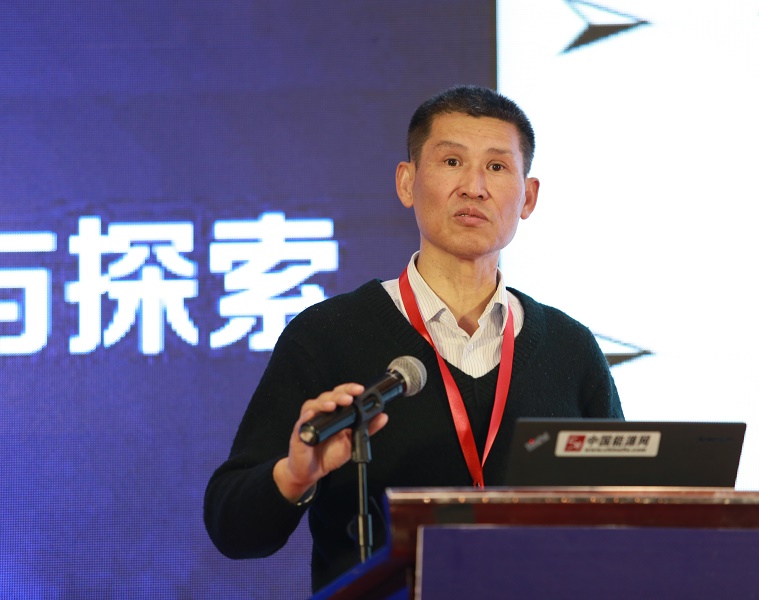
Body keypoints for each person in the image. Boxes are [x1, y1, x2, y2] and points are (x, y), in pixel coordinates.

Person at [204, 85, 624, 591]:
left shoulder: (570, 349)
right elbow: (232, 529)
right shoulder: (327, 334)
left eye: (496, 167)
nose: (474, 187)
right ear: (407, 182)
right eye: (452, 161)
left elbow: (626, 522)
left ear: (528, 197)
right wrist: (295, 475)